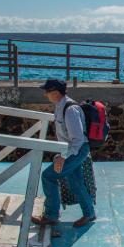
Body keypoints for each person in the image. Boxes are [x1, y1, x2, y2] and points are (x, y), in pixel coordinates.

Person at [32, 79, 96, 228]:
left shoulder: (70, 109)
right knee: (76, 182)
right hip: (73, 150)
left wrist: (62, 157)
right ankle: (89, 213)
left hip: (77, 150)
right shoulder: (60, 106)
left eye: (47, 92)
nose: (45, 95)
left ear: (55, 92)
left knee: (48, 176)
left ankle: (51, 215)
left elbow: (78, 139)